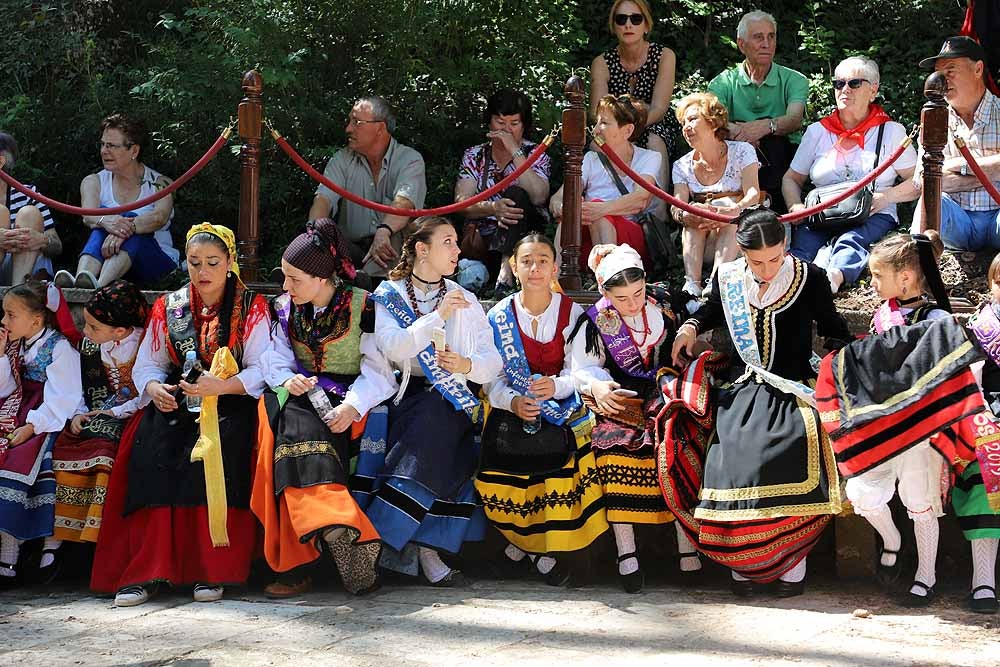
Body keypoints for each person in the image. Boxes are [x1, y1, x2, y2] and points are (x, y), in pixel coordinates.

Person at [671, 209, 851, 597]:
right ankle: (743, 567)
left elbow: (835, 330)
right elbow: (712, 311)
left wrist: (841, 365)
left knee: (790, 449)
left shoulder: (811, 278)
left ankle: (793, 569)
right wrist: (689, 327)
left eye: (774, 258)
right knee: (731, 456)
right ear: (742, 252)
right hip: (741, 388)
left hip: (794, 388)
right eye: (757, 261)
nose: (767, 269)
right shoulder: (728, 277)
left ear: (785, 246)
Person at [90, 224, 270, 606]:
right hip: (177, 397)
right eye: (193, 263)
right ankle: (147, 569)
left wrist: (220, 387)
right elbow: (149, 364)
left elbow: (262, 368)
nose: (202, 272)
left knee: (219, 451)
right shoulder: (169, 306)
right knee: (153, 446)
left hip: (229, 399)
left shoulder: (251, 306)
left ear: (230, 263)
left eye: (212, 263)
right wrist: (153, 388)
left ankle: (212, 568)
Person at [251, 218, 393, 597]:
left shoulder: (365, 305)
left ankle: (301, 561)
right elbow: (273, 357)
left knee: (291, 436)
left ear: (321, 277)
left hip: (349, 398)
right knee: (287, 425)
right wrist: (285, 379)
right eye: (284, 277)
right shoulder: (284, 308)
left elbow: (380, 371)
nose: (285, 286)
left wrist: (353, 405)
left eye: (294, 278)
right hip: (301, 395)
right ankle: (341, 528)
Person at [365, 216, 502, 585]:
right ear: (422, 250)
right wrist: (437, 317)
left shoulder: (466, 299)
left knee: (437, 415)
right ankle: (425, 548)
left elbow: (492, 363)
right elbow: (393, 346)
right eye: (448, 242)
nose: (458, 251)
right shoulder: (389, 294)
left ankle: (379, 535)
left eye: (457, 243)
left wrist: (466, 364)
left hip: (451, 398)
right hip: (402, 394)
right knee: (432, 421)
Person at [477, 234, 609, 585]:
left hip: (561, 401)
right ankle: (531, 548)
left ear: (554, 267)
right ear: (514, 268)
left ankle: (549, 548)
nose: (535, 268)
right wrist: (513, 402)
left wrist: (556, 386)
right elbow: (492, 378)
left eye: (542, 260)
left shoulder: (572, 313)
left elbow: (584, 371)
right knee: (499, 459)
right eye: (526, 261)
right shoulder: (498, 316)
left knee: (573, 451)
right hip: (512, 405)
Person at [570, 244, 700, 593]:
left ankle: (687, 545)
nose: (633, 303)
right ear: (605, 293)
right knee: (613, 446)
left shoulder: (665, 302)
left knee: (677, 438)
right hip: (620, 395)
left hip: (663, 388)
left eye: (638, 293)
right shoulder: (596, 321)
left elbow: (698, 320)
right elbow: (582, 368)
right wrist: (597, 388)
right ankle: (627, 553)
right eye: (623, 298)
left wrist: (689, 338)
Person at [846, 232, 951, 606]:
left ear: (905, 276)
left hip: (920, 429)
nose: (871, 282)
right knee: (862, 492)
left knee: (919, 502)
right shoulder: (882, 314)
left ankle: (927, 574)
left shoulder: (936, 319)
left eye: (877, 275)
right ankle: (892, 540)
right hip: (881, 426)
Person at [783, 57, 919, 294]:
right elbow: (791, 178)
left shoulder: (891, 131)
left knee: (850, 241)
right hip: (822, 214)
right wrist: (795, 206)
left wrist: (885, 197)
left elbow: (918, 181)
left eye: (854, 83)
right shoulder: (818, 131)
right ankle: (792, 291)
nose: (845, 89)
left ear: (873, 90)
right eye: (839, 84)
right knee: (801, 250)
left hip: (873, 213)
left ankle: (831, 283)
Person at [47, 281, 148, 573]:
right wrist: (79, 413)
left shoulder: (144, 344)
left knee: (104, 456)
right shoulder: (93, 346)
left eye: (93, 327)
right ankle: (59, 543)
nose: (86, 333)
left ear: (119, 331)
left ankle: (95, 543)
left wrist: (111, 412)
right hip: (99, 413)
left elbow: (144, 393)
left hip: (134, 415)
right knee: (63, 448)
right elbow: (81, 386)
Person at [0, 282, 82, 582]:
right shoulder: (14, 344)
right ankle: (7, 551)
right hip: (17, 407)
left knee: (20, 459)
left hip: (48, 415)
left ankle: (19, 552)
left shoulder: (59, 348)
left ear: (36, 320)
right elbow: (6, 389)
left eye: (10, 315)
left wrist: (32, 426)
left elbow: (65, 396)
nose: (4, 322)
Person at [308, 96, 427, 279]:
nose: (348, 128)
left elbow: (404, 204)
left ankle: (364, 286)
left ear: (380, 127)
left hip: (390, 249)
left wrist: (384, 230)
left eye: (356, 122)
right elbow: (323, 200)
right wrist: (312, 235)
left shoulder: (409, 159)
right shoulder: (342, 159)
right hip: (349, 250)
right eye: (350, 121)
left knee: (394, 238)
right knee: (321, 232)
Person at [56, 114, 178, 289]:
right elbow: (88, 216)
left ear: (134, 151)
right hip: (112, 263)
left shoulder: (161, 183)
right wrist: (107, 221)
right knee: (104, 216)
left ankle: (96, 289)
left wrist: (124, 226)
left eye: (112, 146)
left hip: (155, 264)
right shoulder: (93, 181)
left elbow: (159, 218)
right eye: (103, 144)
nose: (104, 151)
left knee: (125, 218)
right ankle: (83, 281)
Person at [708, 10, 808, 213]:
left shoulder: (794, 79)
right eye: (758, 37)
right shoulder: (722, 83)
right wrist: (741, 133)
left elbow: (795, 119)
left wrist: (765, 126)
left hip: (782, 155)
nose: (766, 43)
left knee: (776, 144)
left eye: (771, 36)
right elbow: (713, 120)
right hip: (736, 153)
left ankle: (773, 213)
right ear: (741, 44)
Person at [454, 89, 551, 295]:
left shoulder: (536, 153)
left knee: (516, 194)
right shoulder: (475, 155)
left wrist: (514, 150)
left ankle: (505, 273)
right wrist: (493, 208)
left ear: (524, 126)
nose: (506, 129)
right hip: (484, 240)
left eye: (514, 124)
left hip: (525, 235)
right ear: (489, 122)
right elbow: (462, 202)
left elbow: (539, 196)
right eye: (500, 122)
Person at [550, 94, 657, 272]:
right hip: (589, 242)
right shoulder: (590, 158)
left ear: (627, 131)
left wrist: (599, 209)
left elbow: (640, 200)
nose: (596, 130)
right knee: (569, 217)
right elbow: (559, 196)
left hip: (629, 245)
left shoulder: (649, 157)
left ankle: (612, 277)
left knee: (599, 213)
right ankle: (557, 278)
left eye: (604, 123)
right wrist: (563, 206)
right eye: (597, 122)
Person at [670, 92, 760, 303]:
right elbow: (677, 206)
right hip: (703, 238)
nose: (686, 127)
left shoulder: (742, 151)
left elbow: (754, 194)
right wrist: (687, 215)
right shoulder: (681, 165)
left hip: (740, 237)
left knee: (725, 207)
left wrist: (732, 210)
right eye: (683, 123)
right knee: (694, 210)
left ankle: (717, 282)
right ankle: (692, 283)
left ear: (712, 122)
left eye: (692, 119)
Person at [914, 36, 1000, 250]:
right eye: (938, 74)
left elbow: (941, 176)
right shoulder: (934, 119)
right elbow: (924, 181)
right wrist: (992, 170)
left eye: (950, 71)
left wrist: (957, 166)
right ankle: (918, 270)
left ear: (978, 69)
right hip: (956, 220)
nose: (942, 81)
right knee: (931, 201)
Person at [590, 0, 677, 192]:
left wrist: (631, 129)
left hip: (654, 124)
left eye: (636, 19)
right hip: (613, 126)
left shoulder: (664, 56)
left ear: (646, 25)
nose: (628, 25)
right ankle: (603, 201)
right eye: (621, 19)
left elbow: (659, 109)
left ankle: (658, 213)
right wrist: (620, 130)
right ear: (614, 26)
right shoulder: (602, 63)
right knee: (596, 145)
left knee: (654, 140)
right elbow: (596, 111)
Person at [0, 132, 62, 285]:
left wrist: (41, 240)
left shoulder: (28, 194)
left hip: (24, 272)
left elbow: (56, 245)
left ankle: (18, 293)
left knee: (29, 213)